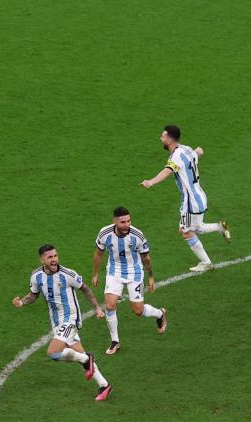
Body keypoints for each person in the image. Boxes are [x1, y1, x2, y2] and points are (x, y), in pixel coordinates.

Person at [13, 245, 113, 401]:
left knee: (53, 353)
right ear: (42, 259)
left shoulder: (68, 274)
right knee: (79, 353)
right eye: (50, 257)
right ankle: (104, 384)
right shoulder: (36, 276)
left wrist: (97, 308)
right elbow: (33, 295)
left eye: (55, 256)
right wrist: (22, 302)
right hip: (56, 321)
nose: (54, 259)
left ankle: (87, 359)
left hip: (70, 319)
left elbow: (85, 289)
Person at [140, 125, 230, 272]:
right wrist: (198, 152)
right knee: (195, 227)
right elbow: (195, 154)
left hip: (190, 202)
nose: (161, 139)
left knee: (185, 231)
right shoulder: (187, 149)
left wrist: (150, 182)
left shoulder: (175, 156)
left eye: (163, 136)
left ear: (169, 139)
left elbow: (167, 172)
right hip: (200, 196)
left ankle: (206, 262)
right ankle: (219, 227)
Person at [91, 207, 168, 354]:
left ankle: (160, 314)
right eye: (122, 222)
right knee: (110, 305)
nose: (126, 225)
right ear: (114, 221)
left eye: (128, 221)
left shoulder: (137, 235)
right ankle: (115, 341)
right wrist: (95, 274)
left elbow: (146, 258)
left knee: (138, 310)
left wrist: (151, 276)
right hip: (114, 272)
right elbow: (98, 254)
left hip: (135, 273)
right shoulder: (104, 233)